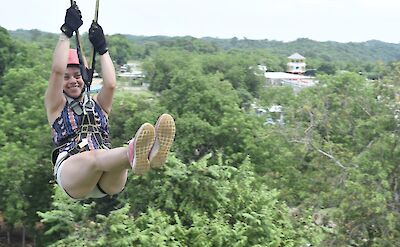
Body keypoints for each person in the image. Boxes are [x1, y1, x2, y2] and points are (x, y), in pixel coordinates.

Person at [45, 3, 175, 200]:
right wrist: (66, 33)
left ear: (86, 75)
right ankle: (137, 149)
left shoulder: (99, 105)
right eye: (67, 76)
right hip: (73, 173)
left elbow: (111, 84)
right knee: (96, 158)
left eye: (77, 75)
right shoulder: (56, 105)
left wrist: (103, 50)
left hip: (108, 179)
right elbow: (56, 71)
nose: (72, 80)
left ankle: (149, 153)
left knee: (116, 156)